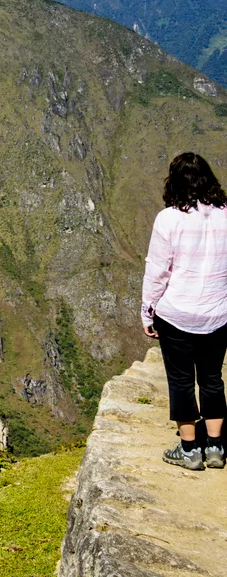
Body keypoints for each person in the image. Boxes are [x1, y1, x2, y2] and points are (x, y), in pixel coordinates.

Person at [142, 152, 227, 470]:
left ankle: (190, 449)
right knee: (211, 379)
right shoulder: (225, 214)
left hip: (177, 315)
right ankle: (216, 447)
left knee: (180, 380)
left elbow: (157, 271)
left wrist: (147, 312)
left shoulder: (169, 219)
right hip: (218, 314)